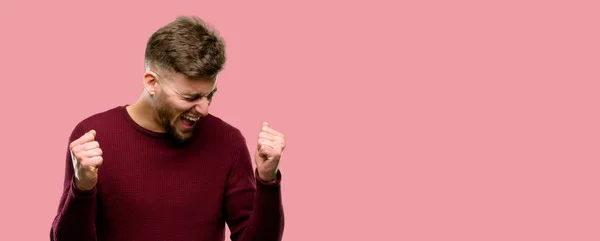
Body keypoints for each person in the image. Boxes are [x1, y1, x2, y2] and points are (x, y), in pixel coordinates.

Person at [50, 16, 286, 241]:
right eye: (190, 97)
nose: (203, 109)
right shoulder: (93, 136)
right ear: (152, 82)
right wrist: (82, 188)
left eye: (209, 95)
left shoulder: (228, 142)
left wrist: (267, 180)